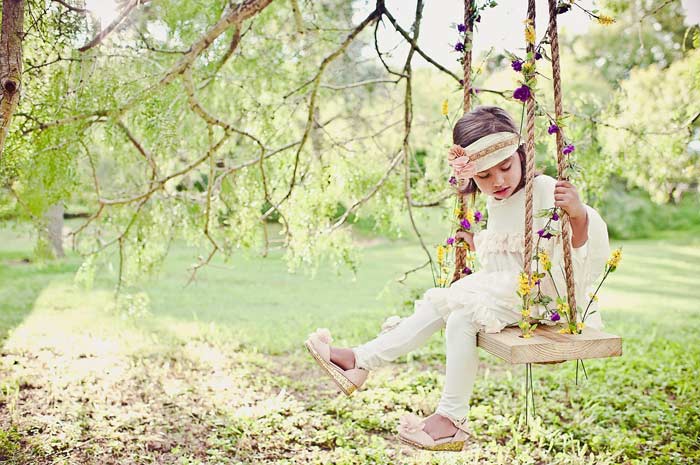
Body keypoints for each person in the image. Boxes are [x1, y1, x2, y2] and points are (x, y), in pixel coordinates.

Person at [304, 106, 610, 452]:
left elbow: (579, 247)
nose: (497, 181)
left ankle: (366, 365)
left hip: (545, 298)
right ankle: (392, 382)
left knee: (457, 308)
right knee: (453, 310)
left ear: (522, 154)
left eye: (506, 167)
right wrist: (478, 241)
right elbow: (508, 256)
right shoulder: (497, 201)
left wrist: (580, 214)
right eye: (483, 176)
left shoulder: (544, 189)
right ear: (470, 177)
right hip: (516, 292)